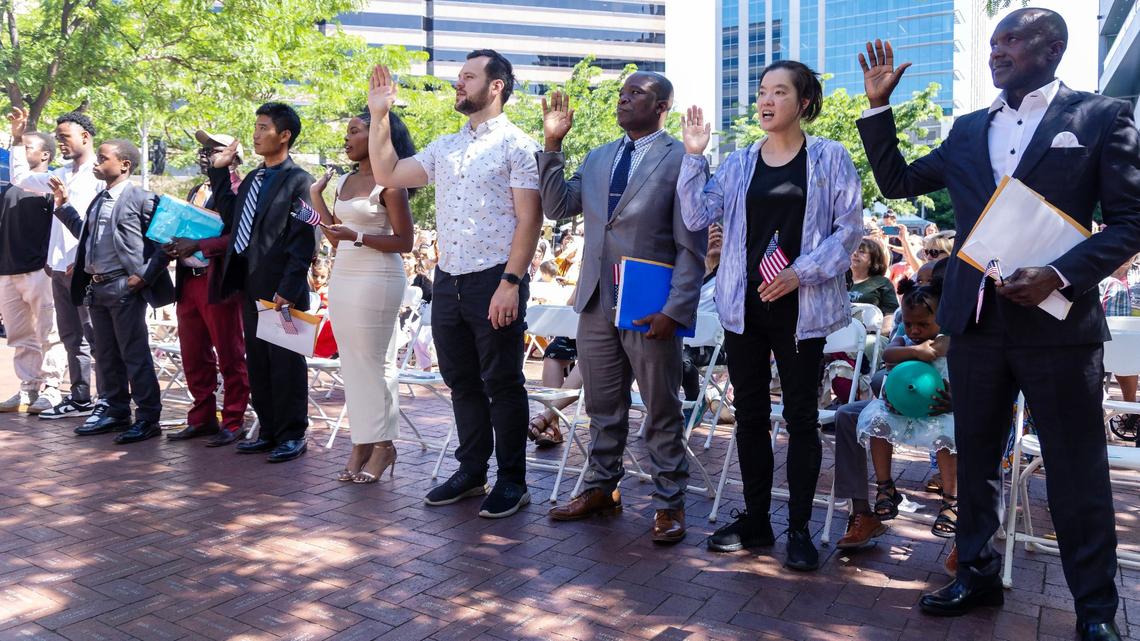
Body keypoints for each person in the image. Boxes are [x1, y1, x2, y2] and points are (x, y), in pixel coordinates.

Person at [856, 10, 1140, 638]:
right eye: (993, 43)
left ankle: (1096, 610)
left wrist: (1059, 274)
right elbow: (897, 181)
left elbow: (1129, 221)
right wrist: (879, 110)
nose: (997, 51)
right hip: (975, 324)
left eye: (1012, 40)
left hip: (1056, 327)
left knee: (1076, 470)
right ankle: (977, 573)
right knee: (978, 457)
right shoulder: (965, 131)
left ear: (1054, 48)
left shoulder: (1100, 117)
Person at [678, 60, 862, 570]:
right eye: (762, 91)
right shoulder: (738, 163)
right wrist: (694, 157)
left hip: (800, 307)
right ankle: (757, 519)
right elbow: (696, 216)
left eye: (779, 92)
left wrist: (801, 272)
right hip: (745, 307)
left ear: (803, 103)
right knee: (752, 416)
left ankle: (799, 528)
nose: (766, 100)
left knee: (802, 418)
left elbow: (848, 232)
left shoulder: (829, 158)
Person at [366, 52, 542, 518]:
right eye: (458, 77)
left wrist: (511, 282)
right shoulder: (444, 146)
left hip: (495, 278)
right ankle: (472, 471)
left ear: (497, 85)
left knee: (503, 382)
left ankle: (512, 480)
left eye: (467, 77)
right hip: (448, 280)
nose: (457, 84)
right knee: (460, 380)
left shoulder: (517, 145)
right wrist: (380, 116)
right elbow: (387, 174)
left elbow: (530, 221)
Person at [539, 72, 706, 543]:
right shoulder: (598, 157)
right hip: (595, 300)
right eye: (622, 93)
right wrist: (553, 143)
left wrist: (676, 308)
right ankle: (600, 488)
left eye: (638, 94)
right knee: (602, 405)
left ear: (663, 106)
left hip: (650, 303)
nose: (625, 99)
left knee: (661, 409)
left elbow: (691, 245)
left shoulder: (683, 159)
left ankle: (669, 503)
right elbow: (557, 206)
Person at [204, 102, 317, 464]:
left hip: (283, 289)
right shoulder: (254, 178)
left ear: (284, 136)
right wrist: (220, 174)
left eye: (263, 127)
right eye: (255, 126)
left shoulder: (299, 180)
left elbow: (305, 238)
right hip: (250, 285)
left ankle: (292, 434)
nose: (255, 133)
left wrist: (288, 287)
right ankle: (268, 430)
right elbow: (231, 215)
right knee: (259, 363)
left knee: (285, 362)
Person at [308, 110, 416, 484]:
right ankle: (362, 442)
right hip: (344, 274)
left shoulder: (391, 184)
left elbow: (405, 242)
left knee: (374, 364)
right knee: (352, 364)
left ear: (377, 137)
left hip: (378, 275)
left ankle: (383, 445)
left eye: (354, 131)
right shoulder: (347, 181)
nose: (347, 138)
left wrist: (359, 237)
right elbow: (334, 234)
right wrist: (315, 196)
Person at [49, 140, 174, 444]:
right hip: (97, 287)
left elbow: (165, 243)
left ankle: (147, 418)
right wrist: (63, 206)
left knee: (134, 354)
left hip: (124, 287)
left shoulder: (142, 198)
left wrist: (142, 277)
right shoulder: (99, 198)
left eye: (102, 158)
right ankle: (116, 411)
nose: (96, 163)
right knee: (106, 355)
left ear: (124, 165)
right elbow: (88, 235)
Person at [8, 108, 104, 419]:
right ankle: (78, 398)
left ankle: (106, 400)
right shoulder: (59, 175)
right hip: (58, 270)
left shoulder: (101, 175)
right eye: (58, 137)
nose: (60, 142)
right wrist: (18, 138)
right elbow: (21, 178)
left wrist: (87, 259)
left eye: (65, 136)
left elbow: (100, 225)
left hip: (87, 270)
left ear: (85, 137)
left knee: (96, 337)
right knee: (70, 337)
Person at [163, 131, 250, 447]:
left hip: (220, 284)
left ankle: (234, 420)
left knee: (230, 354)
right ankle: (201, 418)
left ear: (233, 155)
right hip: (189, 283)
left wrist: (198, 244)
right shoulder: (196, 191)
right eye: (202, 149)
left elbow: (240, 239)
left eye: (212, 149)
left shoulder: (241, 190)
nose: (204, 154)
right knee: (193, 355)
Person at [855, 278, 957, 540]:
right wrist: (917, 351)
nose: (915, 330)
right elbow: (889, 355)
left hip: (939, 412)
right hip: (901, 411)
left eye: (923, 324)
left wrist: (930, 350)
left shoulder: (948, 341)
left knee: (950, 439)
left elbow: (946, 352)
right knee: (877, 421)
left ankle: (951, 500)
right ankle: (885, 487)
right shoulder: (903, 341)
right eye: (910, 323)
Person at [0, 133, 65, 414]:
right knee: (19, 334)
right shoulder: (10, 187)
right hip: (8, 271)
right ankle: (28, 386)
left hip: (41, 270)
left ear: (45, 155)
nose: (21, 151)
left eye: (28, 147)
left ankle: (52, 389)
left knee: (49, 333)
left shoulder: (51, 186)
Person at [849, 237, 899, 334]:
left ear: (873, 260)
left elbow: (891, 315)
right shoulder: (837, 282)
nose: (855, 254)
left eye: (862, 252)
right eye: (853, 250)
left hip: (868, 337)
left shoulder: (883, 283)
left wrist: (878, 334)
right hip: (835, 335)